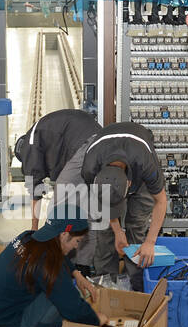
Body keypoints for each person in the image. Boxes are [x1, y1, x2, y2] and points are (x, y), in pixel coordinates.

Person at [53, 120, 166, 286]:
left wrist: (150, 242)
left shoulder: (146, 164)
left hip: (139, 167)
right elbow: (104, 204)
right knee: (105, 230)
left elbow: (161, 202)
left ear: (129, 184)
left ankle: (134, 287)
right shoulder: (90, 167)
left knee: (137, 226)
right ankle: (106, 284)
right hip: (105, 153)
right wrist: (118, 231)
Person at [0, 203, 108, 327]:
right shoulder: (48, 264)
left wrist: (76, 273)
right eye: (77, 241)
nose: (76, 246)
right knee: (59, 300)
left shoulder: (28, 237)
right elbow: (72, 308)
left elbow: (57, 257)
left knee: (57, 288)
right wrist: (96, 319)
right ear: (64, 234)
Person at [13, 108, 101, 231]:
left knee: (57, 208)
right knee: (84, 201)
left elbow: (35, 191)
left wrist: (34, 228)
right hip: (100, 139)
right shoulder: (43, 133)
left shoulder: (30, 146)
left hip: (85, 144)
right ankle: (88, 242)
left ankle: (53, 246)